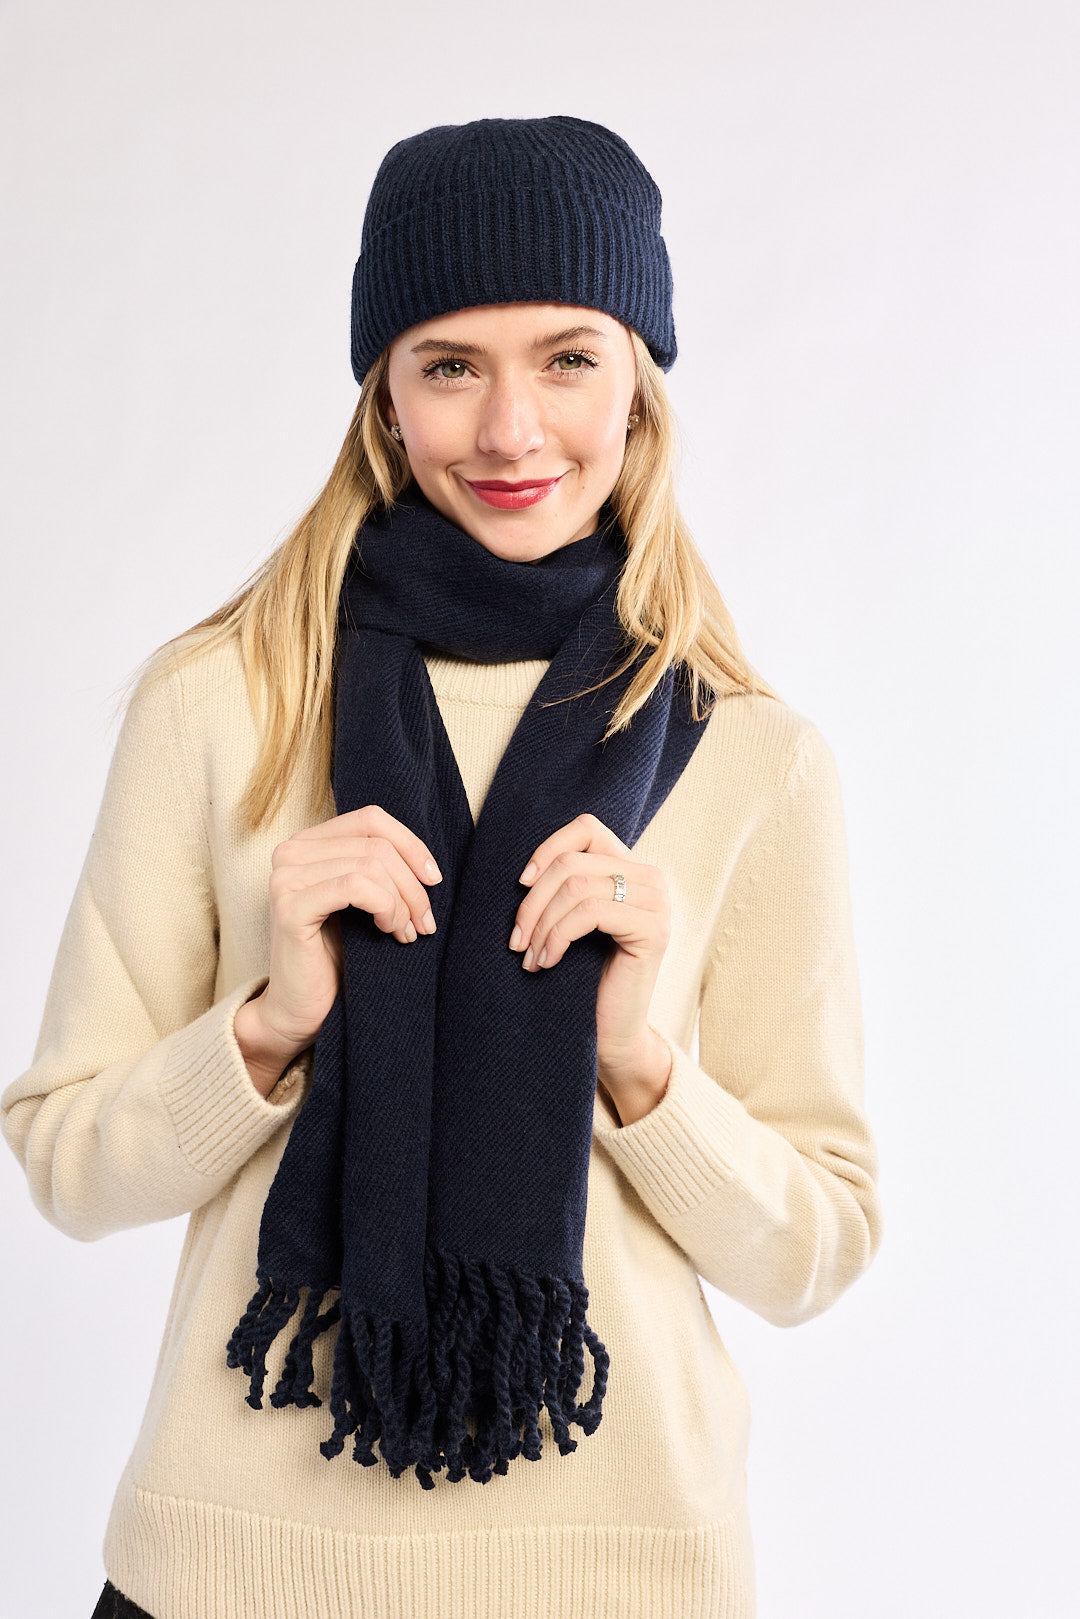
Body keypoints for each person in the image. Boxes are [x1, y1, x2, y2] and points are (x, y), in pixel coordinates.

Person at [2, 115, 883, 1619]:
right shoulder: (223, 704)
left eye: (568, 358)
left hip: (622, 1579)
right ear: (384, 398)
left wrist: (637, 1060)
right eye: (450, 365)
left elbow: (819, 1250)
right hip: (237, 1572)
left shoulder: (752, 755)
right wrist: (269, 1024)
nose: (513, 431)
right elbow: (70, 1168)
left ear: (641, 385)